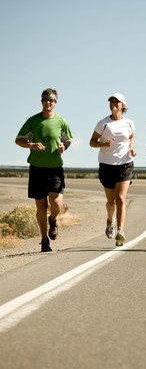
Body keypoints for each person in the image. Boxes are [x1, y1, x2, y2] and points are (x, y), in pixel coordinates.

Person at [15, 88, 73, 252]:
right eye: (46, 99)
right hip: (37, 168)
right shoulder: (33, 121)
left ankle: (53, 220)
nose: (48, 102)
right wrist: (31, 144)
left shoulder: (61, 121)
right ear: (42, 101)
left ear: (56, 102)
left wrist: (63, 147)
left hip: (55, 168)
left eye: (52, 100)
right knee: (41, 205)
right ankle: (44, 240)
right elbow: (18, 139)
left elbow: (67, 140)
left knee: (56, 204)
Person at [89, 93, 136, 247]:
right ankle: (110, 221)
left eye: (117, 101)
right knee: (111, 202)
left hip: (125, 164)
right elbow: (92, 142)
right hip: (106, 165)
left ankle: (120, 231)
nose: (113, 103)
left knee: (121, 198)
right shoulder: (103, 123)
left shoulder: (129, 123)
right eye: (111, 101)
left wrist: (131, 149)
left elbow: (131, 137)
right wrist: (103, 144)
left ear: (123, 105)